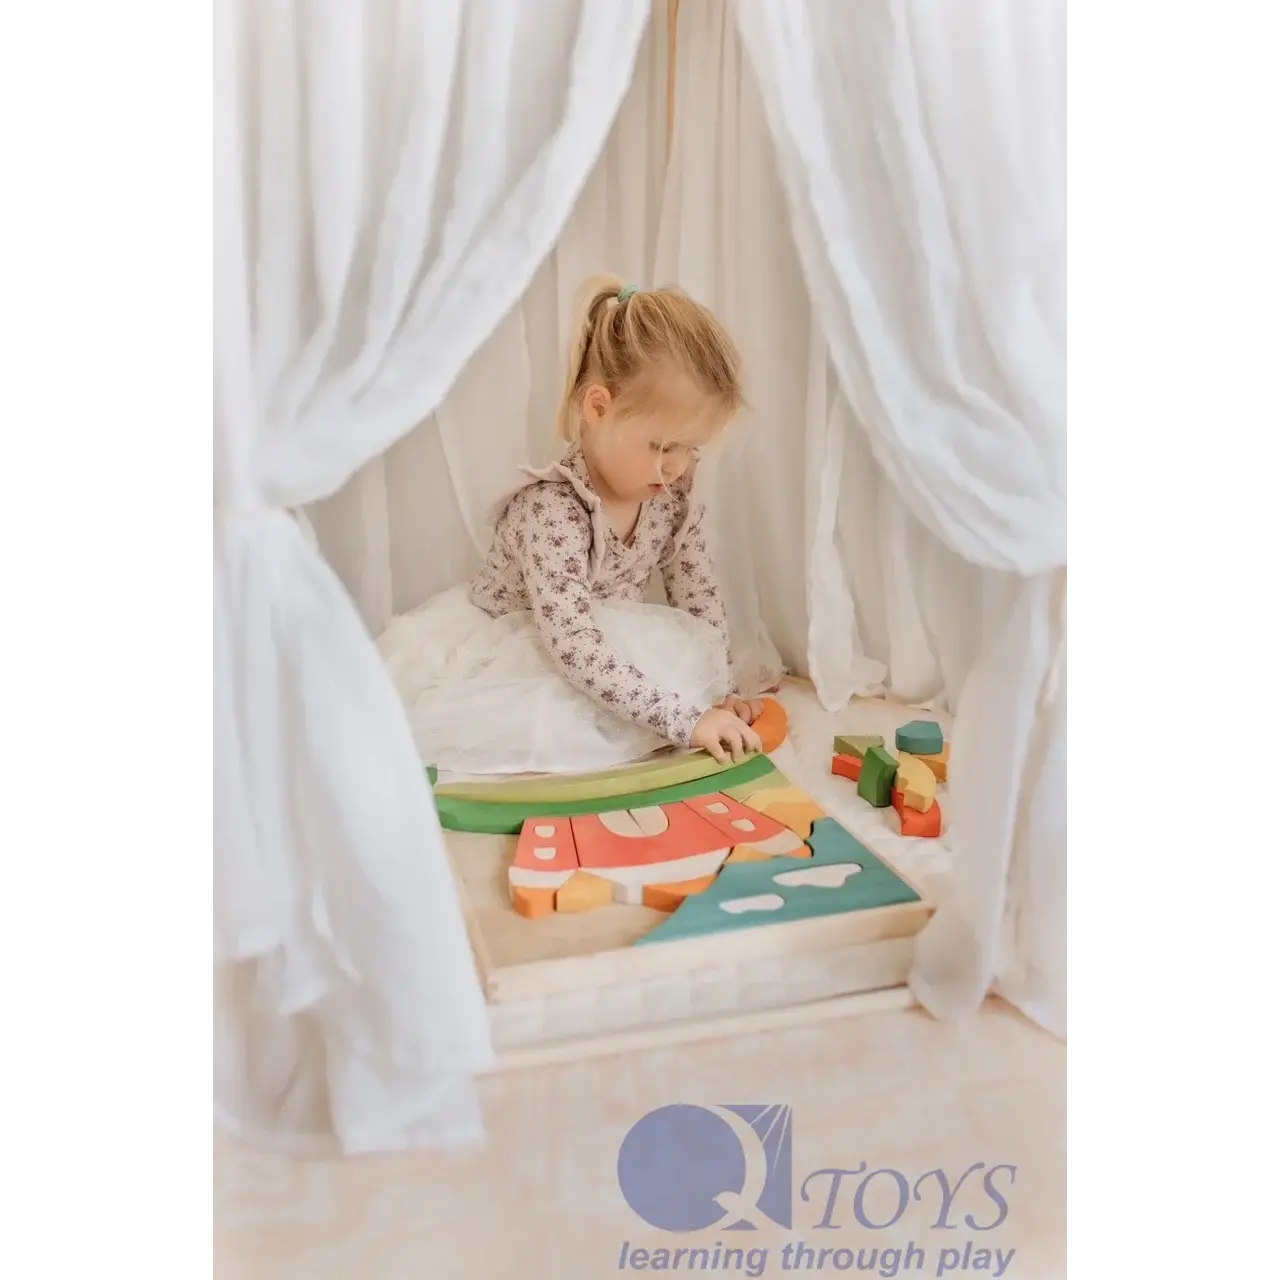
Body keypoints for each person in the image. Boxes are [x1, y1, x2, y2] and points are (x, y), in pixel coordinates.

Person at [378, 275, 764, 777]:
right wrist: (684, 719)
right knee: (543, 726)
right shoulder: (553, 510)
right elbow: (575, 645)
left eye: (692, 449)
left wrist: (719, 693)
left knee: (659, 697)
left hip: (603, 649)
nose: (678, 467)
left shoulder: (671, 498)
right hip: (534, 649)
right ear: (599, 409)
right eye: (663, 447)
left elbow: (699, 597)